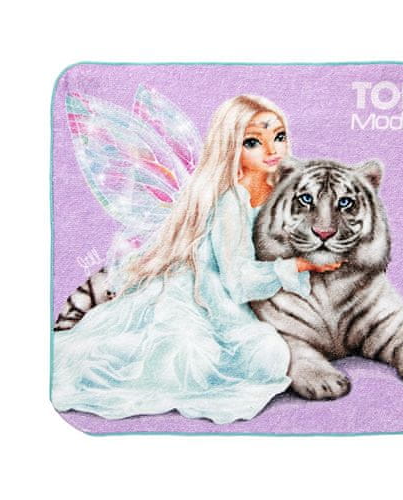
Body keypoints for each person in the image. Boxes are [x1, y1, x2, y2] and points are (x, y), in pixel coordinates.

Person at [52, 95, 336, 424]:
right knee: (232, 358)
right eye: (253, 142)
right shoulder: (231, 202)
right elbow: (236, 280)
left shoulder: (286, 189)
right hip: (208, 296)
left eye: (279, 136)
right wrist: (298, 266)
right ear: (232, 146)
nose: (272, 149)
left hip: (254, 292)